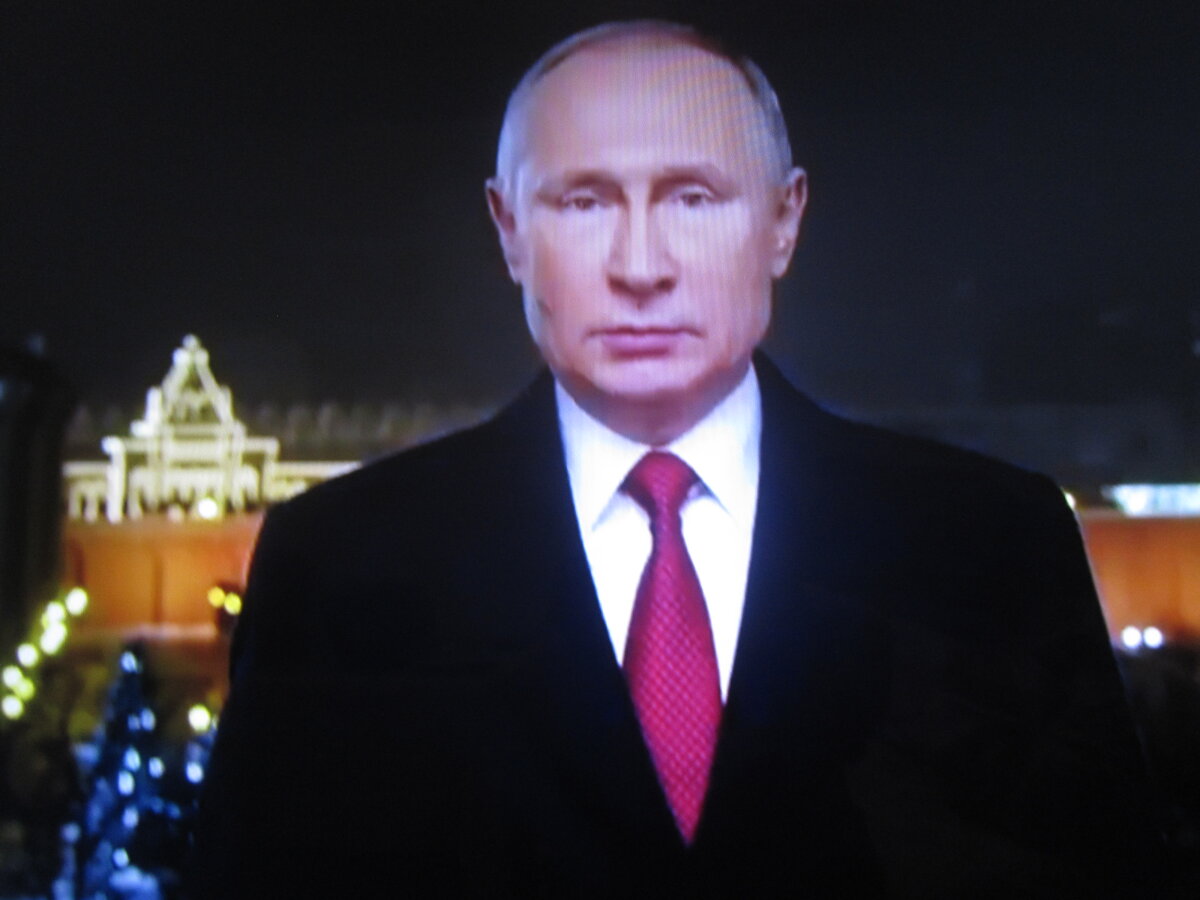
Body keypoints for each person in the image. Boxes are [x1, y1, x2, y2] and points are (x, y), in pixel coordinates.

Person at [192, 21, 1162, 898]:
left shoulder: (995, 545)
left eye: (693, 197)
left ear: (784, 222)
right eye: (583, 202)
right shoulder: (337, 564)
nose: (641, 266)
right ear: (509, 232)